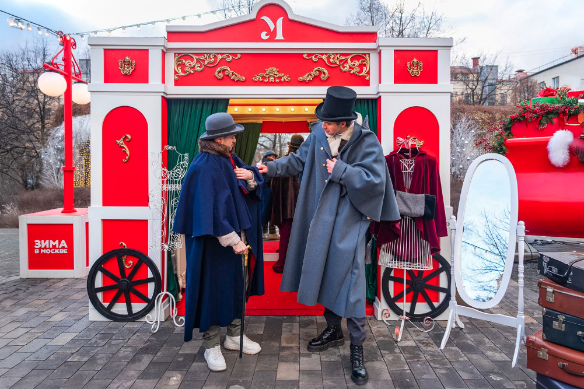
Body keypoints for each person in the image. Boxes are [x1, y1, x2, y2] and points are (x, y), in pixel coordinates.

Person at [258, 86, 400, 385]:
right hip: (318, 217)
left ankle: (357, 347)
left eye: (329, 121)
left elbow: (375, 181)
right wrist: (267, 168)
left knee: (350, 281)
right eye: (322, 120)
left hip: (349, 220)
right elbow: (297, 162)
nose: (323, 125)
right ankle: (334, 330)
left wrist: (342, 171)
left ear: (346, 122)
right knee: (325, 273)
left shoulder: (367, 141)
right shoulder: (319, 135)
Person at [173, 112, 264, 372]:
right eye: (232, 135)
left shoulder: (227, 159)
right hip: (213, 244)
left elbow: (249, 183)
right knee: (211, 290)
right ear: (221, 138)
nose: (235, 139)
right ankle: (211, 344)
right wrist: (233, 239)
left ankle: (234, 336)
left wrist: (250, 179)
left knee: (237, 285)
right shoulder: (204, 165)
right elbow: (208, 210)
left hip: (234, 239)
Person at [270, 135, 304, 273]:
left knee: (285, 234)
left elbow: (274, 187)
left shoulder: (281, 162)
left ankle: (282, 263)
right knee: (301, 236)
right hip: (301, 206)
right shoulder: (306, 163)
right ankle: (296, 264)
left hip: (284, 205)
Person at [260, 151, 279, 240]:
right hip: (267, 191)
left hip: (267, 191)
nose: (273, 157)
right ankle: (268, 231)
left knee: (268, 211)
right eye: (272, 156)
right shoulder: (267, 164)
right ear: (267, 156)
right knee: (267, 211)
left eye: (274, 156)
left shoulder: (267, 164)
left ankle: (269, 231)